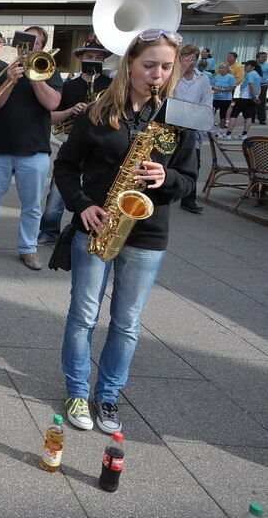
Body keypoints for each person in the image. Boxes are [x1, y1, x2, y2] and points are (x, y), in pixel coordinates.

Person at [54, 28, 196, 434]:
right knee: (83, 316)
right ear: (130, 63)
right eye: (149, 65)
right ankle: (78, 389)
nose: (157, 74)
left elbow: (189, 182)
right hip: (98, 225)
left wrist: (166, 175)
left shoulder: (179, 118)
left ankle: (110, 395)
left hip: (149, 234)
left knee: (127, 322)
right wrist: (82, 205)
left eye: (166, 67)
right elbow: (65, 167)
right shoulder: (100, 112)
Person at [0, 26, 63, 270]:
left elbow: (52, 102)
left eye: (35, 43)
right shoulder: (1, 70)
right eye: (25, 42)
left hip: (34, 150)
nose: (28, 47)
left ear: (41, 48)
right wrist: (11, 80)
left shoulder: (50, 71)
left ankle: (28, 248)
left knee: (32, 206)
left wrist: (35, 76)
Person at [39, 37, 112, 243]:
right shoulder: (69, 86)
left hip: (100, 146)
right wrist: (72, 110)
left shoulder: (112, 85)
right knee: (57, 193)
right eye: (90, 56)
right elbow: (50, 117)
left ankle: (95, 232)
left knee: (99, 192)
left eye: (99, 57)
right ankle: (48, 232)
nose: (94, 60)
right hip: (71, 143)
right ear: (80, 58)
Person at [175, 44, 214, 214]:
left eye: (194, 59)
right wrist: (180, 71)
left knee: (192, 164)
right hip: (172, 125)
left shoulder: (203, 79)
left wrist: (203, 121)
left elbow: (207, 101)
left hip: (192, 126)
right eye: (187, 58)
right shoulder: (173, 75)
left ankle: (189, 199)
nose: (190, 62)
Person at [224, 60, 262, 140]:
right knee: (248, 116)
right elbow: (259, 88)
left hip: (244, 97)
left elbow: (251, 85)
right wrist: (256, 97)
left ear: (252, 67)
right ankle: (244, 134)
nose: (245, 67)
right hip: (251, 99)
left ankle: (228, 134)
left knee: (234, 115)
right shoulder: (258, 75)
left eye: (247, 65)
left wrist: (254, 97)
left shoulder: (251, 74)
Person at [210, 63, 236, 132]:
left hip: (225, 99)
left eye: (223, 68)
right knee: (211, 113)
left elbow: (233, 87)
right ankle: (208, 129)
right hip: (215, 97)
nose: (221, 69)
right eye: (220, 68)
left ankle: (221, 129)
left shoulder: (231, 77)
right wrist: (213, 88)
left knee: (222, 114)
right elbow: (211, 85)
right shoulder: (216, 77)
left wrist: (222, 89)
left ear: (227, 69)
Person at [256, 51, 267, 124]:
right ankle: (251, 117)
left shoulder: (267, 66)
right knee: (251, 101)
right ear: (257, 58)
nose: (265, 58)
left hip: (263, 85)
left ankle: (261, 119)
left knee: (262, 102)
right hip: (253, 85)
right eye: (263, 57)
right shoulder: (253, 65)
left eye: (265, 57)